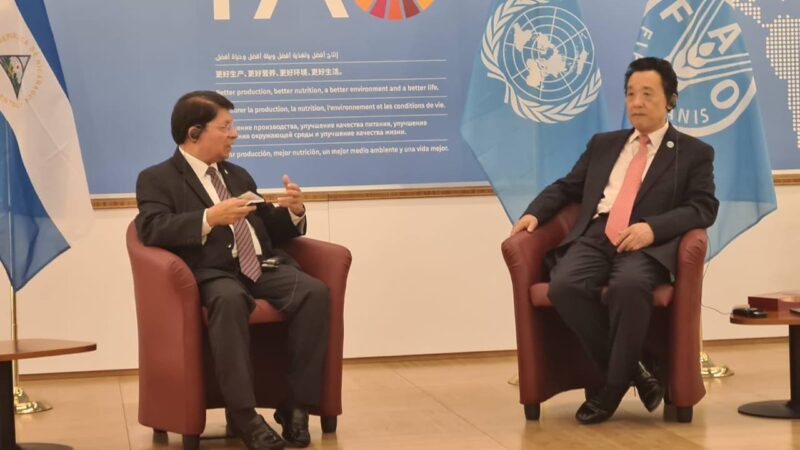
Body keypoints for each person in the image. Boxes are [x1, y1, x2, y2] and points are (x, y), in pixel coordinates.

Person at [510, 57, 718, 424]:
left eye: (647, 94)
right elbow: (567, 187)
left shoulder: (694, 153)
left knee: (629, 286)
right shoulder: (604, 144)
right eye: (630, 94)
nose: (636, 102)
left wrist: (653, 229)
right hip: (596, 235)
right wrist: (535, 213)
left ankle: (610, 391)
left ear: (671, 99)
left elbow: (703, 207)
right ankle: (635, 370)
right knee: (564, 286)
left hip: (647, 243)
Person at [135, 91, 329, 449]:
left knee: (314, 293)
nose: (235, 134)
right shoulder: (157, 178)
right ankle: (244, 415)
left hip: (263, 267)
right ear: (194, 132)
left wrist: (293, 211)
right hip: (212, 273)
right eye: (225, 127)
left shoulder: (237, 175)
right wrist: (209, 218)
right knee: (228, 300)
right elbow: (151, 228)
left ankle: (296, 406)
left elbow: (265, 224)